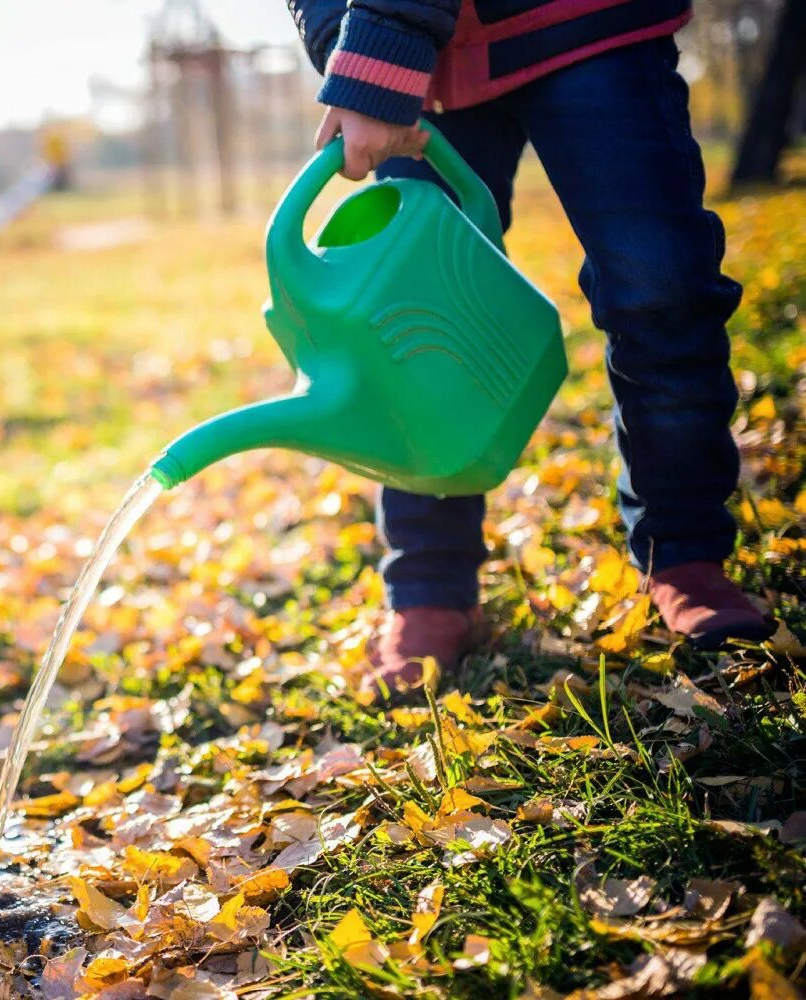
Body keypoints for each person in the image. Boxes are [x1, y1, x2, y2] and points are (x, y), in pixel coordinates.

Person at [284, 0, 776, 698]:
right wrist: (351, 41)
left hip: (583, 21)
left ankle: (686, 552)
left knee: (660, 284)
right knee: (413, 328)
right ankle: (429, 585)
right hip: (430, 66)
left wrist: (379, 48)